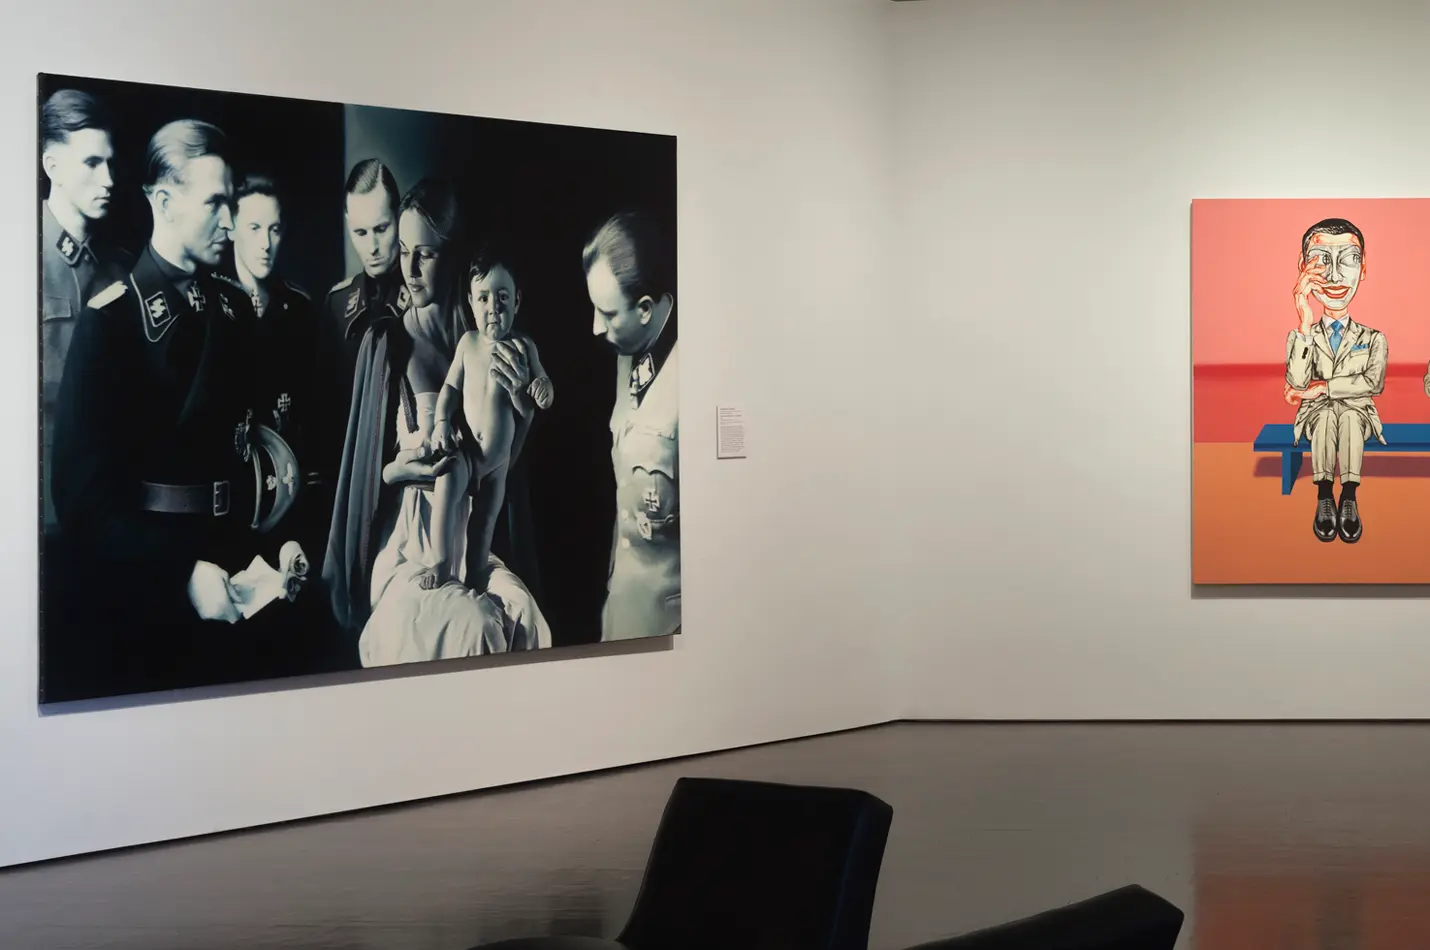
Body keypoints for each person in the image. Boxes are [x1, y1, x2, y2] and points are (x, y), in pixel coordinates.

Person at [46, 119, 316, 700]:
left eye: (231, 202)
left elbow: (261, 445)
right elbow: (83, 504)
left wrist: (285, 540)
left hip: (240, 578)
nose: (230, 222)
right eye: (216, 203)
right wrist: (180, 574)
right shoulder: (111, 322)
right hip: (150, 601)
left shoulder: (233, 311)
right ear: (165, 203)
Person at [327, 180, 550, 662]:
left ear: (454, 259)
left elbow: (500, 470)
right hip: (410, 549)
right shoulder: (385, 345)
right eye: (404, 251)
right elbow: (364, 480)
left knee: (525, 618)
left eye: (423, 255)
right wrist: (399, 471)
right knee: (477, 627)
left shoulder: (488, 346)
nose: (407, 270)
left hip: (472, 543)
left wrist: (526, 413)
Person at [224, 173, 332, 583]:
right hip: (228, 508)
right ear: (231, 228)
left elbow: (312, 423)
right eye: (254, 228)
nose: (265, 243)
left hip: (285, 502)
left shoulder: (299, 309)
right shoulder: (212, 302)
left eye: (274, 229)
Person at [582, 211, 680, 641]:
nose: (595, 328)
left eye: (607, 313)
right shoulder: (628, 358)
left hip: (673, 629)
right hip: (621, 612)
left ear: (644, 310)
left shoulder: (695, 376)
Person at [39, 88, 131, 532]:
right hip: (39, 512)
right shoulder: (19, 258)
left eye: (110, 162)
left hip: (110, 511)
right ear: (52, 166)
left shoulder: (121, 269)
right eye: (92, 163)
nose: (108, 179)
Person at [1283, 217, 1387, 544]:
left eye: (1349, 259)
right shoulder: (1303, 336)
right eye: (1321, 260)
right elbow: (1298, 384)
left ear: (1363, 267)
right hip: (1316, 416)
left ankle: (1350, 496)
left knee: (1351, 417)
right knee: (1328, 416)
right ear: (1303, 267)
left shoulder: (1374, 338)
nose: (1334, 276)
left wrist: (1324, 388)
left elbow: (1373, 382)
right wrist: (1304, 318)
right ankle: (1325, 497)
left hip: (1359, 413)